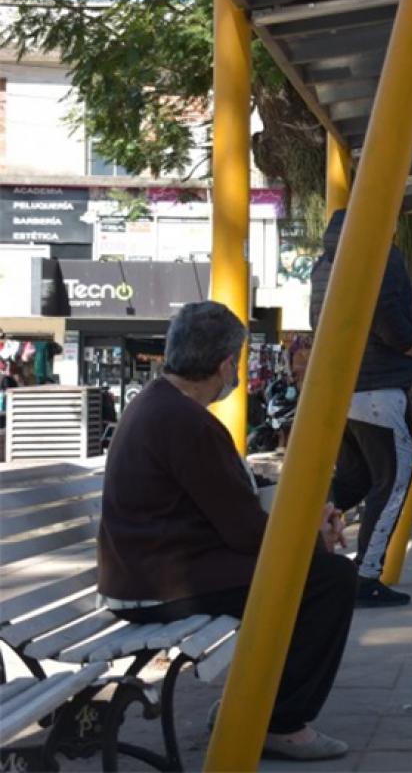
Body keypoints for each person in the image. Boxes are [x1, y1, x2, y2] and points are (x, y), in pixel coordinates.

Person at [97, 301, 355, 761]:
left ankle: (255, 705)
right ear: (222, 365)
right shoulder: (185, 422)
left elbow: (235, 494)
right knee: (329, 580)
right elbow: (245, 532)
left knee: (311, 570)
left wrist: (310, 515)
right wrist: (314, 541)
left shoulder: (161, 406)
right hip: (159, 585)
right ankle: (280, 722)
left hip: (148, 572)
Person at [311, 209, 412, 608]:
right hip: (380, 386)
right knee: (393, 481)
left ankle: (304, 548)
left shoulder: (323, 264)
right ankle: (366, 575)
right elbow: (384, 307)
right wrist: (408, 341)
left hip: (342, 387)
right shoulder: (378, 253)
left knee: (354, 480)